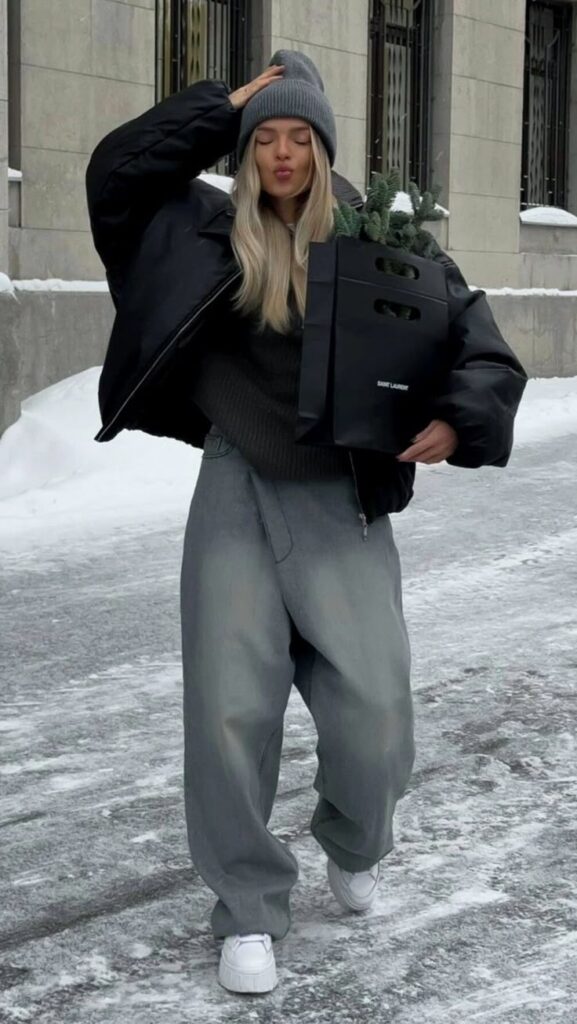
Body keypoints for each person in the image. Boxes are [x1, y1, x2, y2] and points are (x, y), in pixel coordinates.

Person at [85, 50, 528, 995]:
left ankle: (354, 837)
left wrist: (463, 416)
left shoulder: (380, 244)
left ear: (324, 152)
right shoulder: (193, 230)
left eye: (300, 136)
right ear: (245, 152)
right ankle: (246, 907)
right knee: (228, 708)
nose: (282, 153)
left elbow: (477, 340)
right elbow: (118, 173)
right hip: (236, 484)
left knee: (375, 715)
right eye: (265, 138)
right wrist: (229, 102)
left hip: (343, 496)